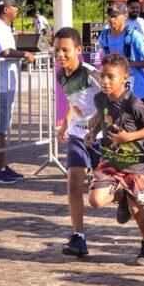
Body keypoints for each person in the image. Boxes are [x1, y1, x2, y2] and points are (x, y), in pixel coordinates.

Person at [80, 53, 144, 265]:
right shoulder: (99, 98)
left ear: (125, 78)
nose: (105, 81)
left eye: (111, 77)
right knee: (96, 201)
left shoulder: (134, 103)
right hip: (110, 160)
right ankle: (120, 196)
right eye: (102, 76)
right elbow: (103, 114)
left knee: (137, 208)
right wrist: (92, 133)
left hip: (136, 164)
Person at [53, 27, 103, 258]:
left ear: (79, 50)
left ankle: (125, 194)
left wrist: (99, 122)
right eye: (56, 50)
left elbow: (114, 98)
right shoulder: (61, 74)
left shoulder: (91, 74)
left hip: (101, 138)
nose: (60, 55)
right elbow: (75, 102)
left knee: (102, 195)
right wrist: (65, 125)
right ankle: (78, 237)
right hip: (77, 136)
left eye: (65, 50)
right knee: (73, 183)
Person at [0, 0, 35, 184]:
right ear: (6, 9)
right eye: (15, 7)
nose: (17, 10)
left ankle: (2, 166)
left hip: (5, 84)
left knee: (3, 129)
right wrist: (25, 54)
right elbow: (5, 52)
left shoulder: (2, 27)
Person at [100, 0, 144, 109]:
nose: (111, 20)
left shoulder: (135, 36)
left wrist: (131, 64)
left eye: (115, 16)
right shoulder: (104, 37)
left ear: (125, 15)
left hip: (138, 94)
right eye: (109, 16)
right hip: (116, 94)